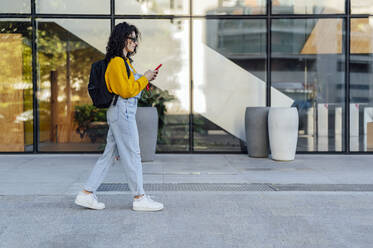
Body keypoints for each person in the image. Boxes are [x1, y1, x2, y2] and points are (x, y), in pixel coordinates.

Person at [74, 22, 163, 211]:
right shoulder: (116, 62)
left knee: (109, 155)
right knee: (133, 154)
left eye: (135, 40)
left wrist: (144, 78)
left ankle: (86, 194)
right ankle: (139, 198)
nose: (135, 43)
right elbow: (126, 90)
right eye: (132, 39)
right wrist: (144, 77)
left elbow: (130, 86)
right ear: (123, 39)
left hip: (121, 111)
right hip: (122, 112)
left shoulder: (124, 62)